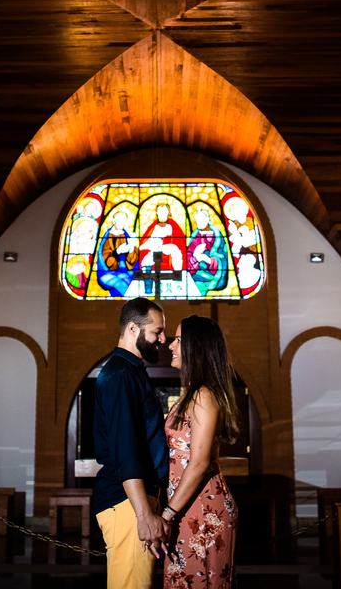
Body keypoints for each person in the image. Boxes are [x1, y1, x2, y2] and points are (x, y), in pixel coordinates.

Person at [94, 298, 171, 588]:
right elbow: (127, 451)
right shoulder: (120, 375)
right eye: (157, 332)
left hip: (135, 500)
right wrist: (144, 514)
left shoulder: (132, 371)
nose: (162, 340)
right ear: (132, 329)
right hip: (126, 503)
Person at [161, 315, 239, 588]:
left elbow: (200, 462)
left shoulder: (203, 395)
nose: (171, 345)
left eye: (179, 340)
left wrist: (168, 513)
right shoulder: (191, 393)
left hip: (203, 508)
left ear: (197, 347)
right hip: (186, 503)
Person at [186, 207, 228, 296]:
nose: (199, 222)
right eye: (197, 220)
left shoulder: (217, 237)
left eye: (201, 219)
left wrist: (207, 259)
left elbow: (222, 256)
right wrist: (195, 258)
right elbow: (189, 253)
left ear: (208, 219)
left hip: (212, 274)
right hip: (195, 272)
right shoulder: (195, 236)